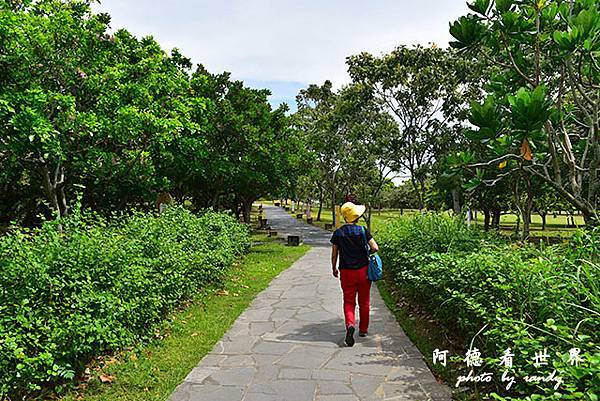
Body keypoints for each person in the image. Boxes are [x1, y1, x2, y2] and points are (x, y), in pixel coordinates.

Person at [330, 202, 379, 347]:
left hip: (346, 272)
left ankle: (350, 325)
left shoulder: (338, 233)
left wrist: (334, 268)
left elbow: (334, 254)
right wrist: (366, 253)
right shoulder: (363, 230)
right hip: (363, 271)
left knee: (349, 302)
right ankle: (363, 330)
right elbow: (375, 247)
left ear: (345, 217)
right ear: (357, 216)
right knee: (364, 302)